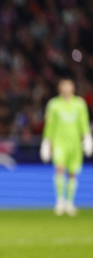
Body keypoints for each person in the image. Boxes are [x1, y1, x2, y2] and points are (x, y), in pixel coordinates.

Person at [40, 78, 92, 216]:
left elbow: (84, 122)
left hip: (74, 143)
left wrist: (87, 137)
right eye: (64, 87)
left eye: (69, 87)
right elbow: (50, 124)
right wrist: (46, 141)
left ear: (73, 89)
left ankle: (70, 202)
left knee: (73, 173)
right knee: (59, 169)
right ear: (59, 89)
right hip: (59, 142)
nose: (66, 90)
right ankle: (59, 201)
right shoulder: (54, 104)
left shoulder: (79, 104)